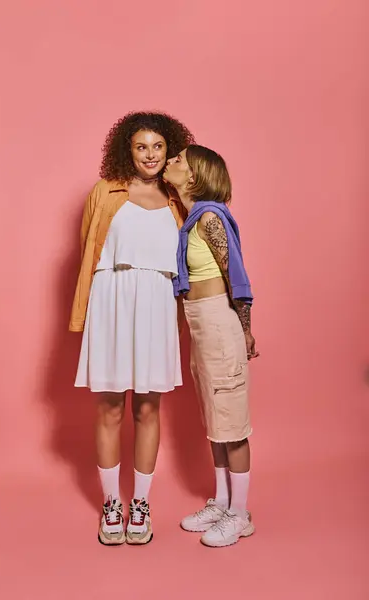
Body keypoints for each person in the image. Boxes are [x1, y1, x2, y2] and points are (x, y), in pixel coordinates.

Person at [70, 112, 195, 545]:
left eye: (158, 146)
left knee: (147, 408)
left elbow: (196, 253)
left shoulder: (179, 199)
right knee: (109, 407)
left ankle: (140, 504)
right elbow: (88, 247)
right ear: (128, 148)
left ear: (170, 150)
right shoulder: (106, 193)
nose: (150, 155)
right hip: (112, 298)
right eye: (142, 146)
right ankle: (111, 505)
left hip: (158, 303)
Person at [163, 144, 259, 548]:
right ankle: (222, 502)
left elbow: (236, 276)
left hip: (219, 325)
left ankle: (240, 514)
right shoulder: (189, 220)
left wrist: (246, 328)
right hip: (200, 327)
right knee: (215, 422)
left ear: (195, 174)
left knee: (232, 425)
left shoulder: (210, 219)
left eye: (179, 159)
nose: (171, 161)